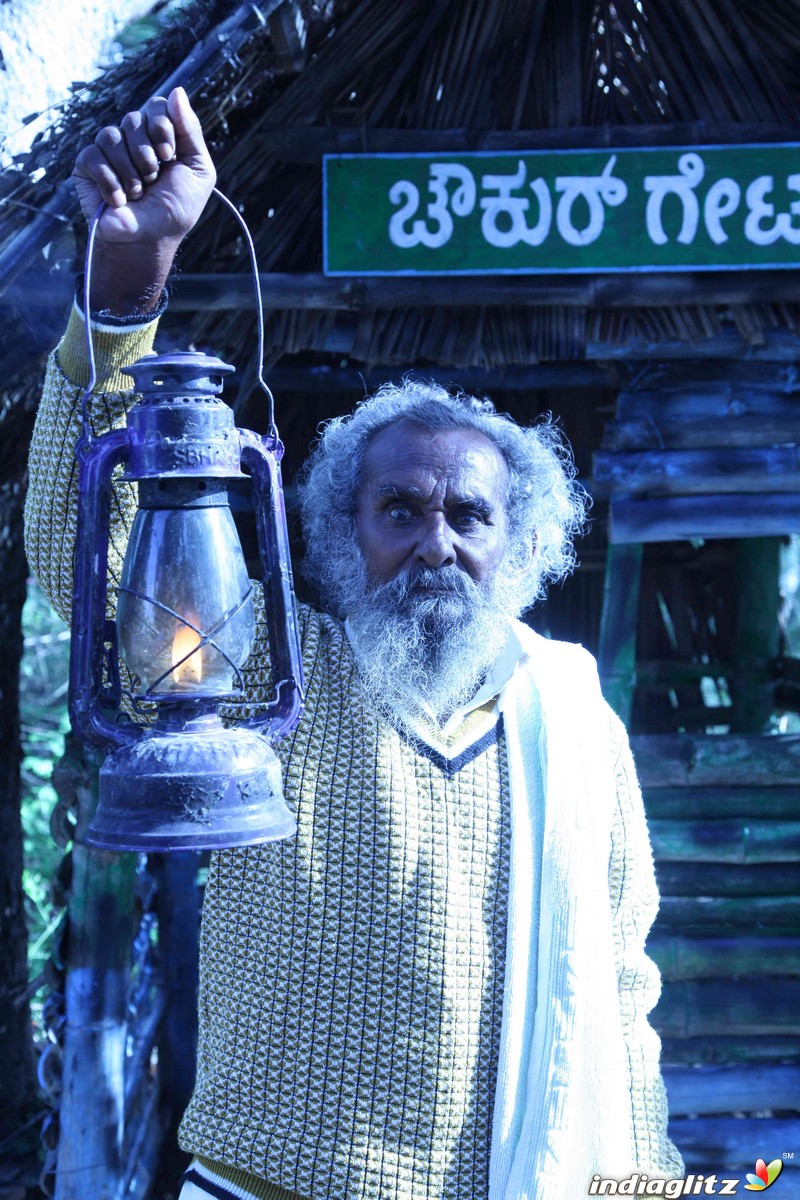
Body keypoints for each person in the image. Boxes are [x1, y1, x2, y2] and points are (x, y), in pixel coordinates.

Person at [25, 87, 684, 1200]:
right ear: (341, 532)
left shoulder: (573, 723)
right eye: (399, 511)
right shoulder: (271, 685)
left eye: (467, 516)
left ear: (518, 546)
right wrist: (125, 288)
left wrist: (648, 1179)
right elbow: (90, 581)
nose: (436, 541)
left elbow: (618, 988)